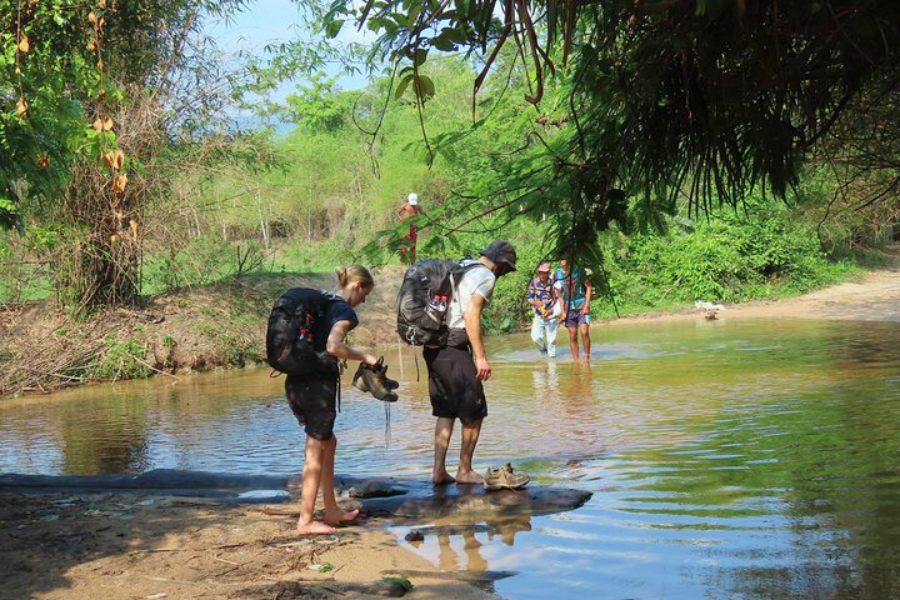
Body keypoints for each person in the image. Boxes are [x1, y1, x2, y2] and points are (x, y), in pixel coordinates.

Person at [287, 265, 380, 535]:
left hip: (296, 380)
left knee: (328, 441)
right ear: (357, 286)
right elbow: (333, 346)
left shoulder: (323, 302)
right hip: (316, 384)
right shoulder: (343, 311)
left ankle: (331, 510)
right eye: (365, 294)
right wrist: (365, 356)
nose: (364, 301)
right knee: (316, 447)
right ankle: (305, 520)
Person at [424, 240, 517, 485]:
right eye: (506, 269)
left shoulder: (461, 266)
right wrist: (481, 356)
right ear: (501, 265)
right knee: (474, 412)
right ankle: (464, 470)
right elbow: (471, 314)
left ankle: (438, 471)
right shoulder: (485, 276)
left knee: (446, 410)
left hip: (433, 346)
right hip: (454, 347)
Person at [555, 259, 593, 360]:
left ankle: (586, 358)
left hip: (581, 306)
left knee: (584, 332)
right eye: (561, 258)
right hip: (568, 308)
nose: (563, 260)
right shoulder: (557, 274)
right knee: (573, 335)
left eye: (566, 258)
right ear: (558, 260)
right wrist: (563, 312)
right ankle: (576, 360)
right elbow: (560, 296)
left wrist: (587, 305)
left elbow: (588, 287)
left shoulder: (579, 271)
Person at [526, 262, 559, 357]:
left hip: (551, 314)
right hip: (538, 315)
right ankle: (544, 351)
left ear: (548, 273)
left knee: (552, 341)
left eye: (544, 272)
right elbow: (529, 297)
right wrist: (535, 302)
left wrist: (551, 311)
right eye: (540, 272)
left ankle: (552, 362)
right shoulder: (534, 282)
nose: (542, 274)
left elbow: (558, 299)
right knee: (535, 338)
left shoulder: (553, 283)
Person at [395, 192, 426, 264]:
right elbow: (397, 212)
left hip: (413, 229)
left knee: (413, 247)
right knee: (404, 247)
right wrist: (400, 219)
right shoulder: (405, 205)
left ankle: (413, 264)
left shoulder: (418, 206)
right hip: (406, 228)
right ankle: (402, 263)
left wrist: (428, 218)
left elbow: (422, 213)